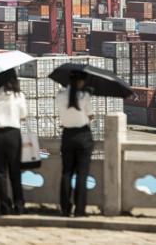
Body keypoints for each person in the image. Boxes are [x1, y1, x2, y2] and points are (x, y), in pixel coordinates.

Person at [0, 68, 27, 215]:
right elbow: (24, 116)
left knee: (0, 172)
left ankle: (4, 206)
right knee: (15, 171)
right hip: (13, 135)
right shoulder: (19, 95)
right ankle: (19, 205)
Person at [55, 71, 94, 218]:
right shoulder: (84, 96)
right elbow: (90, 115)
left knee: (66, 173)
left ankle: (65, 208)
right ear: (80, 82)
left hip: (67, 136)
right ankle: (80, 209)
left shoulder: (60, 96)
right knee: (82, 174)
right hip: (83, 136)